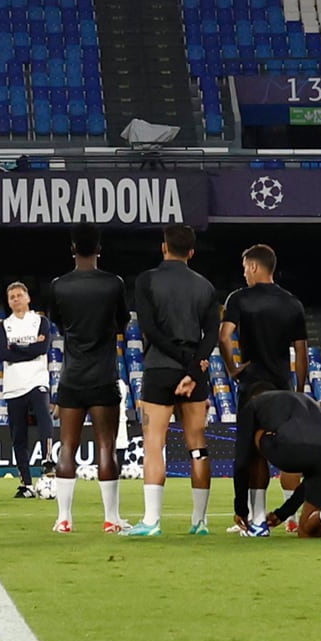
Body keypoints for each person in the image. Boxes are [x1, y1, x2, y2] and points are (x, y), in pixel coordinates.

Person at [121, 225, 219, 538]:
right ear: (192, 252)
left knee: (154, 446)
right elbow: (212, 334)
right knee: (198, 448)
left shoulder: (147, 280)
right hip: (194, 374)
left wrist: (178, 360)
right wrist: (193, 370)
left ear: (164, 247)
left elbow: (149, 328)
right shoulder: (205, 286)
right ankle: (199, 521)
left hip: (159, 368)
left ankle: (152, 521)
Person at [45, 225, 130, 535]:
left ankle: (64, 518)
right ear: (99, 248)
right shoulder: (113, 284)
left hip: (72, 376)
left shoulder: (59, 285)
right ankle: (111, 519)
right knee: (107, 446)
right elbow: (122, 321)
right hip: (104, 375)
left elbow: (58, 322)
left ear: (71, 247)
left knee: (67, 447)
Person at [219, 243, 309, 530]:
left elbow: (224, 337)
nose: (244, 273)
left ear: (255, 267)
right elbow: (302, 351)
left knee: (253, 449)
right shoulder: (293, 302)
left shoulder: (239, 299)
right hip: (283, 385)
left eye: (246, 267)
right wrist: (300, 391)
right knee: (285, 448)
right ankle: (289, 516)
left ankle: (257, 516)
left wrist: (233, 368)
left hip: (253, 383)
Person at [233, 385, 321, 541]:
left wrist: (241, 509)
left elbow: (241, 462)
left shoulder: (252, 405)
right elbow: (309, 482)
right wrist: (282, 513)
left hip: (293, 446)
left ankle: (258, 523)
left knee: (253, 439)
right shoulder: (304, 400)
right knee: (307, 532)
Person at [0, 281, 52, 498]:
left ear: (28, 298)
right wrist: (29, 350)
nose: (16, 299)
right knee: (18, 435)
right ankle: (26, 483)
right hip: (14, 385)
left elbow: (42, 348)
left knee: (44, 417)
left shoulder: (40, 321)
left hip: (37, 380)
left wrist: (16, 348)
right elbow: (2, 353)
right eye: (12, 297)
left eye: (19, 295)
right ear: (8, 302)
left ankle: (48, 459)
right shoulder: (4, 326)